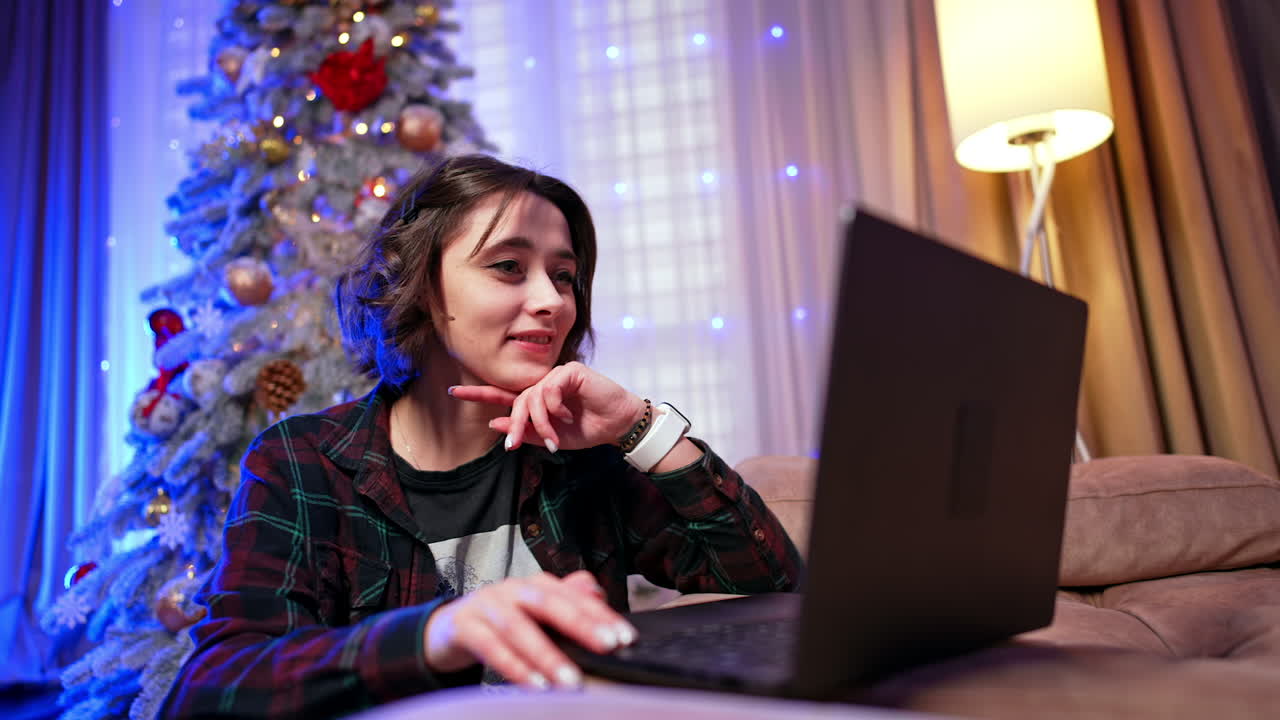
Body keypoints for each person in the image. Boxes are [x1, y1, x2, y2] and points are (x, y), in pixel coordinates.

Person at [160, 154, 803, 719]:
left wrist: (640, 428)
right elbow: (213, 691)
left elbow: (773, 585)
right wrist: (434, 635)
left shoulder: (579, 456)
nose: (552, 300)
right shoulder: (303, 463)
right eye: (508, 266)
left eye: (563, 275)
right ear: (418, 283)